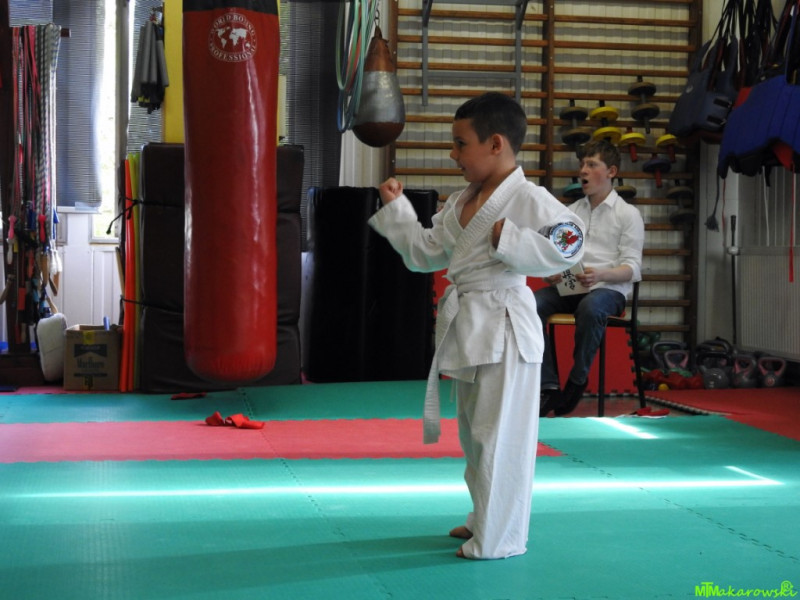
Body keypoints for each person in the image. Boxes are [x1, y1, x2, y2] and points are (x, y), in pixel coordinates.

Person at [368, 92, 585, 560]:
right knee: (475, 435)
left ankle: (501, 537)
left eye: (460, 143)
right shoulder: (464, 201)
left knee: (499, 438)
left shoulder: (528, 198)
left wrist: (511, 240)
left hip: (505, 326)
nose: (453, 154)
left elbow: (571, 243)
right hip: (471, 326)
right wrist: (398, 210)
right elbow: (424, 254)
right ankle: (484, 517)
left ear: (496, 144)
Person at [535, 139, 644, 417]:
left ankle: (577, 380)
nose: (583, 170)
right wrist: (552, 273)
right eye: (582, 164)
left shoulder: (628, 214)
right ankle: (548, 385)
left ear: (611, 172)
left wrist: (601, 275)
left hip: (609, 290)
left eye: (592, 164)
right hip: (572, 287)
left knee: (592, 307)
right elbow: (558, 255)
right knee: (530, 305)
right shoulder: (571, 212)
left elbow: (632, 268)